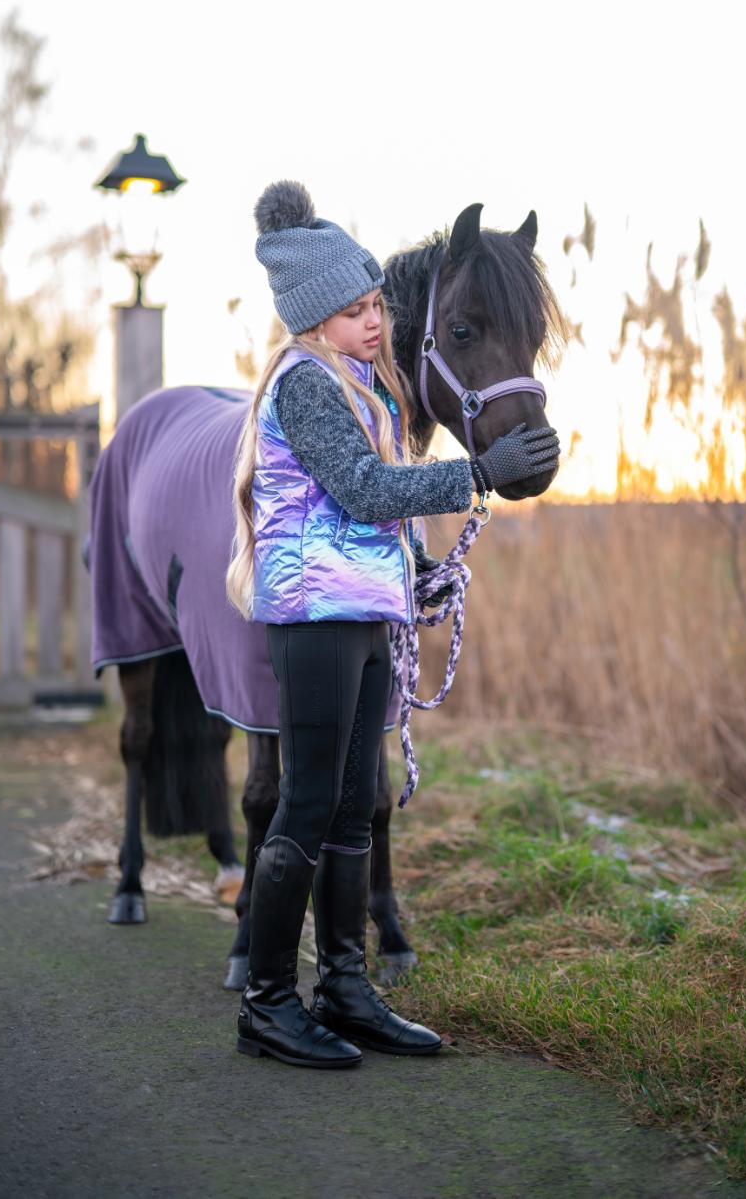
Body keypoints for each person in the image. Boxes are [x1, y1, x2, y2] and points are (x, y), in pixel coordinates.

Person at [226, 180, 560, 1068]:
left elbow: (376, 521)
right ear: (311, 321)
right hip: (314, 613)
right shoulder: (305, 388)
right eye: (352, 311)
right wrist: (478, 473)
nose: (374, 322)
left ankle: (343, 985)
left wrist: (420, 575)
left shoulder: (366, 392)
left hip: (363, 607)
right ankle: (266, 1001)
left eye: (376, 303)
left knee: (350, 808)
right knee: (305, 804)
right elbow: (364, 492)